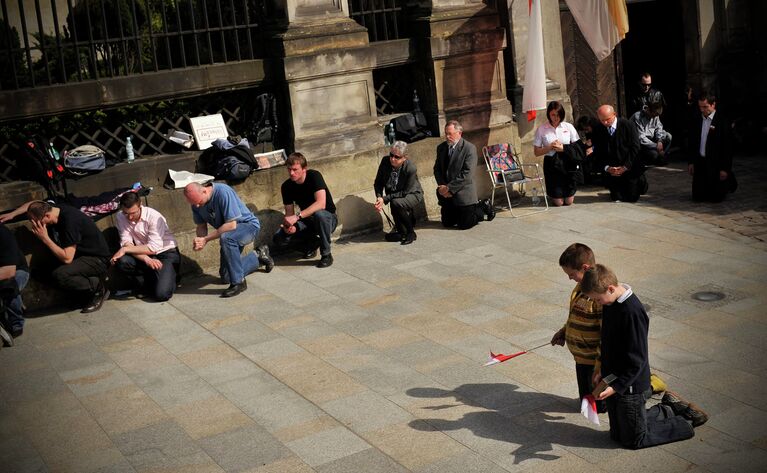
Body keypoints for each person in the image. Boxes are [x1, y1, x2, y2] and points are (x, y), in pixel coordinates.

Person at [582, 264, 707, 449]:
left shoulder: (632, 312)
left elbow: (637, 359)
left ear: (610, 288)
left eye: (598, 299)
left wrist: (617, 386)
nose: (598, 304)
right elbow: (607, 341)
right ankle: (667, 409)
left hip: (631, 385)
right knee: (616, 435)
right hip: (613, 378)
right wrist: (601, 368)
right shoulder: (610, 302)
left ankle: (685, 421)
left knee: (633, 440)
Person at [184, 182, 272, 297]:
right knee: (226, 276)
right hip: (229, 233)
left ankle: (239, 283)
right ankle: (258, 256)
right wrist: (200, 240)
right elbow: (201, 226)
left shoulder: (223, 192)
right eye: (193, 203)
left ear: (205, 191)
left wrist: (206, 239)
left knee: (227, 238)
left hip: (248, 226)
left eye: (199, 202)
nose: (197, 206)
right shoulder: (196, 203)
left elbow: (231, 225)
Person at [25, 201, 110, 313]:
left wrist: (45, 238)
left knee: (61, 274)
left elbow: (67, 258)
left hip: (97, 258)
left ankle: (97, 288)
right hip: (79, 255)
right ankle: (82, 294)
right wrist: (13, 214)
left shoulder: (70, 221)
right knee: (41, 271)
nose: (36, 226)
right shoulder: (53, 209)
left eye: (38, 222)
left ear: (47, 216)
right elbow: (33, 204)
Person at [550, 243, 604, 412]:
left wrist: (600, 364)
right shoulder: (579, 288)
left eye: (572, 274)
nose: (569, 278)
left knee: (599, 406)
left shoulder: (599, 296)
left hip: (594, 360)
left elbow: (607, 333)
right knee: (585, 401)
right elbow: (574, 315)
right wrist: (564, 331)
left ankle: (644, 386)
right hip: (581, 358)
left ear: (585, 268)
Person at [110, 192, 181, 301]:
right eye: (126, 213)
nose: (129, 217)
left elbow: (153, 247)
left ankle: (169, 276)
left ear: (140, 205)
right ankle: (149, 281)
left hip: (166, 252)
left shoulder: (154, 216)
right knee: (123, 261)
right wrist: (146, 259)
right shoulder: (120, 216)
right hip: (143, 253)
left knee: (162, 294)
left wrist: (125, 249)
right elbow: (127, 241)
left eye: (133, 213)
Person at [273, 153, 338, 268]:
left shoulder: (314, 176)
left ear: (304, 169)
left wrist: (297, 217)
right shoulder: (286, 186)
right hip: (306, 221)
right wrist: (290, 227)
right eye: (289, 169)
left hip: (327, 219)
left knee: (320, 215)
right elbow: (289, 215)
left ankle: (326, 254)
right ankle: (312, 244)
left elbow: (321, 204)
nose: (291, 173)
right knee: (279, 238)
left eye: (295, 169)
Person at [434, 120, 494, 229]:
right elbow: (437, 169)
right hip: (447, 194)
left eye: (450, 134)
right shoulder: (441, 148)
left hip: (462, 191)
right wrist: (442, 186)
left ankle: (482, 206)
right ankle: (458, 212)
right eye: (446, 134)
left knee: (465, 225)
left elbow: (467, 174)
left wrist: (449, 188)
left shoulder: (469, 148)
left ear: (459, 133)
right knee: (448, 224)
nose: (447, 137)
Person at [687, 91, 736, 202]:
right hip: (701, 162)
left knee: (715, 199)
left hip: (716, 164)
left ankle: (730, 180)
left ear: (713, 104)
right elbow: (692, 142)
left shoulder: (722, 121)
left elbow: (727, 147)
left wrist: (725, 169)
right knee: (697, 197)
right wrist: (691, 162)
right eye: (700, 107)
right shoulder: (697, 119)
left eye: (705, 107)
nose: (702, 110)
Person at [533, 101, 584, 206]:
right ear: (548, 114)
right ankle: (554, 195)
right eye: (553, 115)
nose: (556, 117)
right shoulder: (541, 129)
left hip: (567, 162)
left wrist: (563, 148)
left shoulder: (568, 126)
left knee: (569, 202)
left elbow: (578, 147)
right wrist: (549, 147)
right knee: (558, 203)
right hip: (552, 163)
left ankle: (567, 194)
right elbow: (536, 152)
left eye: (559, 115)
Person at [374, 141, 424, 245]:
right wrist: (379, 197)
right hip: (395, 194)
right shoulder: (385, 161)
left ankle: (411, 232)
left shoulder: (410, 168)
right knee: (395, 203)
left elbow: (405, 192)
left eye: (397, 157)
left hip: (412, 193)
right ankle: (403, 233)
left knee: (396, 202)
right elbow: (378, 182)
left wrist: (385, 198)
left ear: (405, 157)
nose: (392, 159)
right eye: (391, 155)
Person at [593, 105, 646, 202]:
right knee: (617, 197)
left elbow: (635, 148)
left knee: (632, 198)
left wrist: (625, 167)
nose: (605, 122)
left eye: (608, 119)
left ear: (614, 114)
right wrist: (607, 168)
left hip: (628, 166)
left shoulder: (628, 125)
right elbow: (598, 153)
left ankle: (641, 181)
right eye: (602, 120)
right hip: (612, 170)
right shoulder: (598, 128)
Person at [0, 223, 29, 342]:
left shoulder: (3, 234)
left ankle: (16, 323)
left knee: (8, 286)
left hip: (16, 271)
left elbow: (8, 271)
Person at [631, 99, 673, 166]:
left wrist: (660, 141)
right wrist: (656, 146)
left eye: (656, 116)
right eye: (653, 115)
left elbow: (659, 128)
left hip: (652, 140)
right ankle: (655, 156)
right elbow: (641, 138)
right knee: (654, 155)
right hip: (641, 144)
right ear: (648, 110)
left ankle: (660, 155)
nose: (655, 117)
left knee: (668, 136)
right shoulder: (638, 117)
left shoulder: (655, 115)